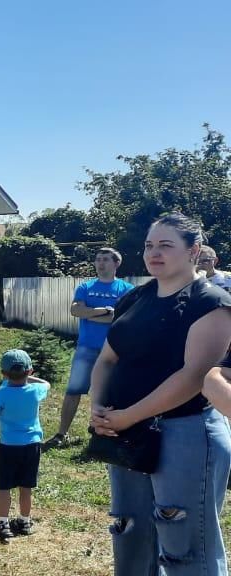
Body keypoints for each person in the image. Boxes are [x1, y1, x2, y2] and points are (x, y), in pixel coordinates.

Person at [89, 213, 231, 574]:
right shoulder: (136, 298)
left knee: (185, 544)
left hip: (186, 433)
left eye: (166, 245)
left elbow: (194, 376)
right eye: (150, 245)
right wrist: (98, 408)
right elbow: (107, 358)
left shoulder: (211, 302)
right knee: (131, 531)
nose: (154, 252)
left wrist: (127, 415)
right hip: (125, 432)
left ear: (193, 250)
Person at [49, 248, 133, 448]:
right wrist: (104, 311)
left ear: (116, 264)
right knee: (73, 390)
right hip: (86, 348)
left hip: (113, 350)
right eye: (98, 259)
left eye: (105, 259)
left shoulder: (126, 289)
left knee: (109, 394)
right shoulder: (85, 287)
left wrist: (90, 313)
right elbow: (75, 310)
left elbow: (121, 317)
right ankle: (62, 434)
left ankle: (104, 434)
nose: (100, 263)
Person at [0, 349, 49, 541]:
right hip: (32, 445)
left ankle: (3, 523)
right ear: (30, 371)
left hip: (9, 445)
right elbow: (47, 384)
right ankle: (24, 520)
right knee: (25, 485)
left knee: (4, 486)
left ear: (3, 374)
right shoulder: (36, 390)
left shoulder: (2, 392)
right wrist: (31, 378)